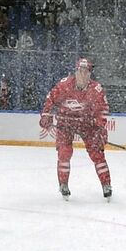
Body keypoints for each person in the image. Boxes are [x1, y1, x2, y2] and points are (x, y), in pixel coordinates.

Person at [39, 58, 111, 201]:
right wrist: (46, 115)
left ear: (90, 74)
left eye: (86, 72)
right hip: (65, 123)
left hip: (87, 125)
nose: (83, 75)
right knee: (64, 153)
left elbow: (103, 110)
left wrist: (99, 127)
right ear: (76, 72)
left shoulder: (96, 89)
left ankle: (106, 184)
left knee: (97, 153)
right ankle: (63, 184)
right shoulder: (64, 85)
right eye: (80, 71)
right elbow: (50, 99)